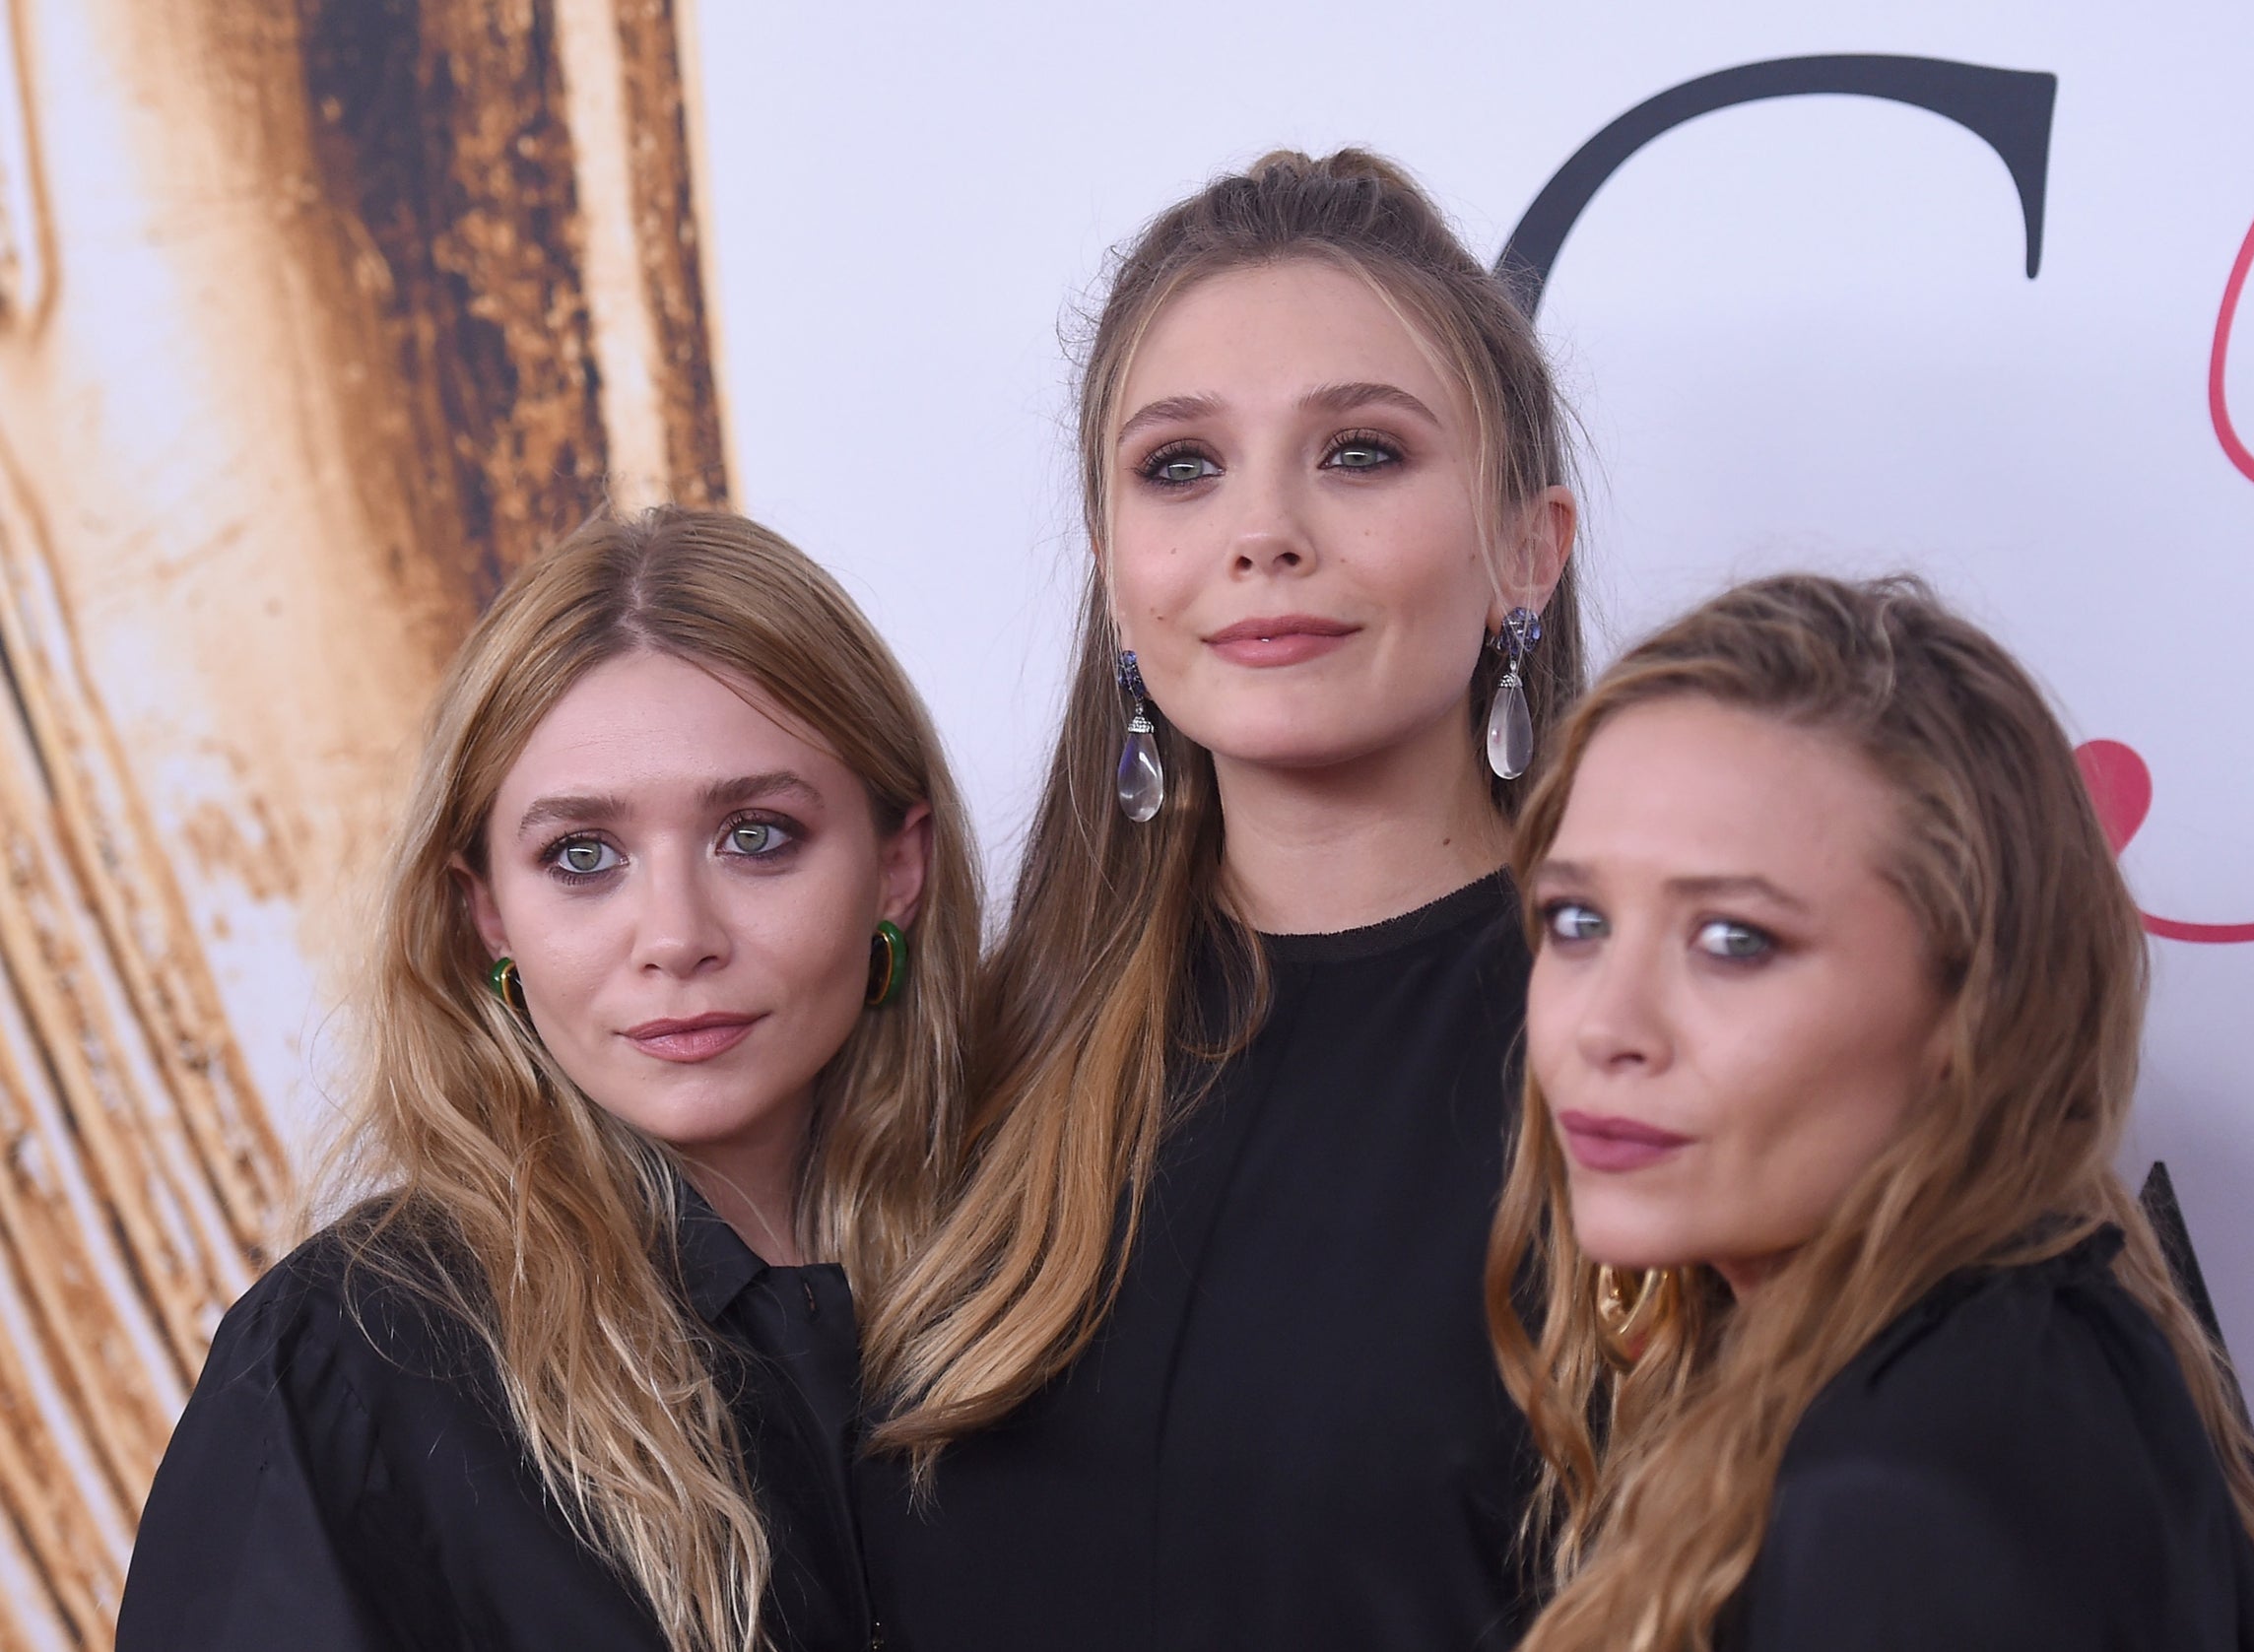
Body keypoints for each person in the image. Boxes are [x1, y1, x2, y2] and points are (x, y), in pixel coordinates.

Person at [854, 149, 1581, 1652]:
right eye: (1181, 465)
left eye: (1362, 452)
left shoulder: (1641, 1046)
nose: (1264, 532)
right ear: (1119, 576)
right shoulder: (969, 1065)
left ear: (1527, 549)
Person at [118, 508, 979, 1652]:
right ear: (487, 914)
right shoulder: (349, 1363)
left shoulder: (1052, 1276)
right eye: (583, 855)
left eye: (758, 835)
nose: (674, 936)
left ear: (898, 868)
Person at [1489, 573, 2254, 1651]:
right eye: (1576, 920)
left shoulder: (1905, 1497)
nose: (1607, 1027)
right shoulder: (2032, 1352)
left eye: (1734, 941)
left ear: (1974, 1002)